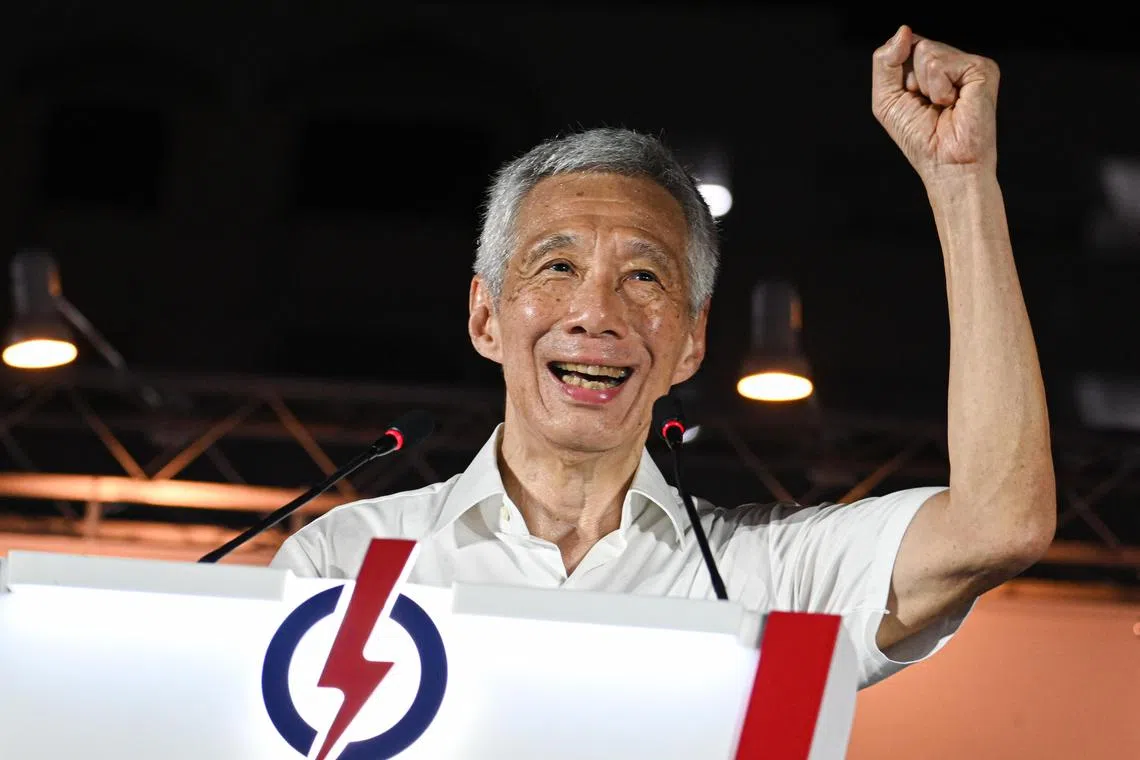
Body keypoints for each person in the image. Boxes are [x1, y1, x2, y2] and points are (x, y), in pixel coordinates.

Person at [270, 25, 1056, 690]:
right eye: (558, 265)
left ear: (692, 341)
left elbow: (999, 524)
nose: (596, 313)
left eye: (644, 276)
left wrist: (961, 183)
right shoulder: (346, 561)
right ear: (485, 317)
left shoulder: (768, 576)